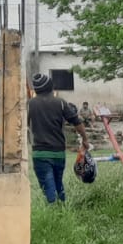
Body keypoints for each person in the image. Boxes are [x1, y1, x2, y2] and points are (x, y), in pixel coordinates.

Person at [27, 72, 89, 205]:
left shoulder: (30, 104)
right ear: (50, 87)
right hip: (59, 153)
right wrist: (85, 139)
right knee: (58, 184)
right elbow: (76, 121)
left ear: (37, 90)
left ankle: (54, 212)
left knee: (48, 187)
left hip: (40, 153)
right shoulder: (60, 103)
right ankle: (62, 210)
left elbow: (22, 125)